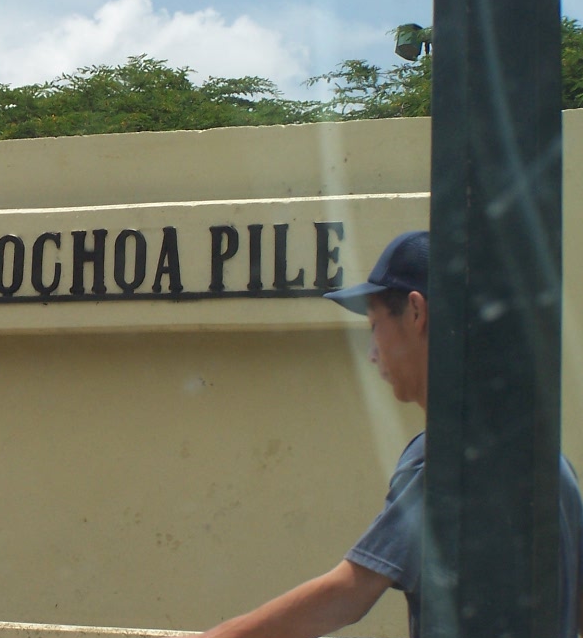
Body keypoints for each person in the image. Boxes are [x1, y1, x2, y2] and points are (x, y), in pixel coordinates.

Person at [199, 230, 583, 638]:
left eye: (375, 323)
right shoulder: (547, 458)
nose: (371, 352)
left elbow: (348, 595)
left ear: (416, 313)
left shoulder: (446, 459)